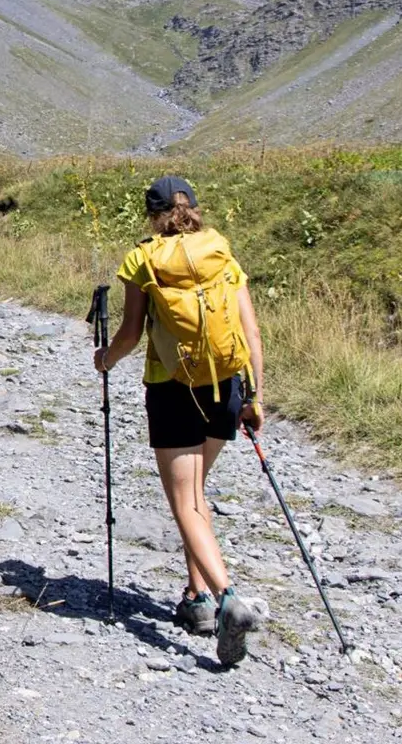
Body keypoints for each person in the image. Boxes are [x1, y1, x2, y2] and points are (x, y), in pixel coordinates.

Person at [93, 175, 266, 666]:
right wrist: (256, 398)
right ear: (193, 206)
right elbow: (250, 330)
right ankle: (197, 602)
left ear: (153, 214)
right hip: (228, 386)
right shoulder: (220, 251)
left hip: (172, 389)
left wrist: (104, 360)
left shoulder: (143, 259)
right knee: (198, 494)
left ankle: (228, 598)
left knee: (186, 503)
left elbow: (129, 334)